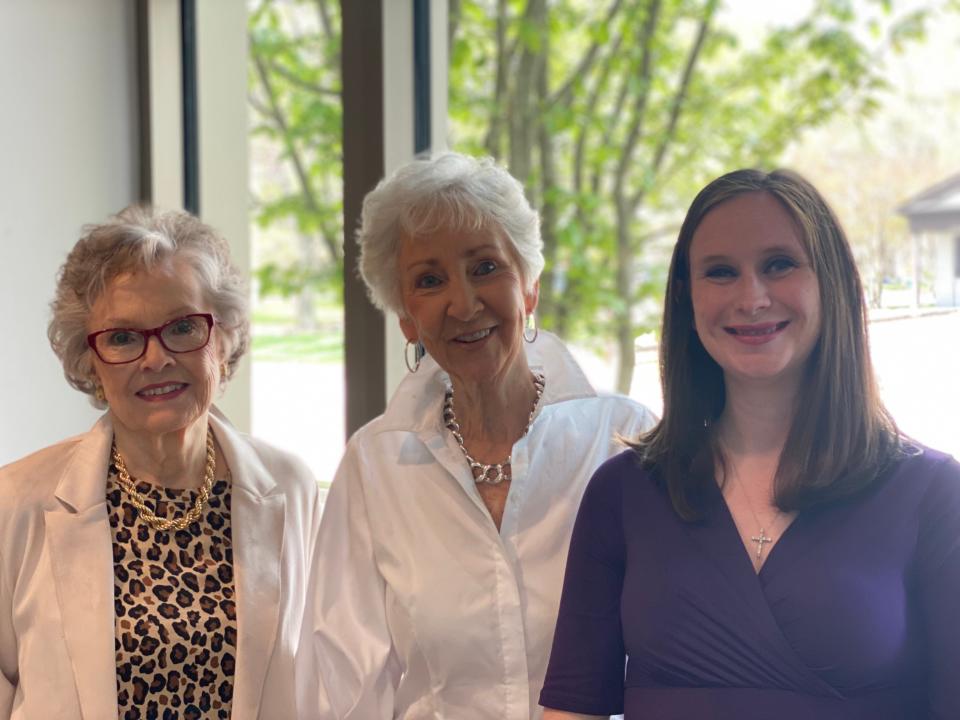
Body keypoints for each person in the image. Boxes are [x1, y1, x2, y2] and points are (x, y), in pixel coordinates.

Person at [539, 169, 960, 719]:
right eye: (720, 272)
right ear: (687, 301)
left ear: (830, 281)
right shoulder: (621, 494)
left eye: (778, 265)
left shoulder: (933, 494)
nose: (751, 297)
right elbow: (573, 711)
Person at [296, 152, 656, 720]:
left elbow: (675, 658)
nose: (463, 303)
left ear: (529, 288)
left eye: (486, 267)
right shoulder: (374, 466)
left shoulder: (624, 441)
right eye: (430, 280)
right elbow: (343, 687)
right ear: (406, 318)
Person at [0, 206, 321, 719]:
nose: (155, 359)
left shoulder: (290, 486)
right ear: (90, 363)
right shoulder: (17, 500)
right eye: (123, 337)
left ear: (223, 338)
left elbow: (318, 677)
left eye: (182, 327)